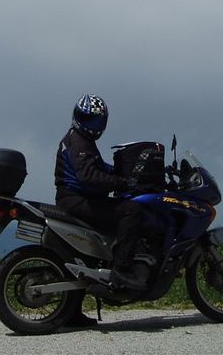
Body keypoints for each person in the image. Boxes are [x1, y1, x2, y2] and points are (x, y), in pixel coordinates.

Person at [54, 93, 146, 327]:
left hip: (73, 199)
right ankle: (122, 270)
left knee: (85, 256)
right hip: (77, 200)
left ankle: (71, 313)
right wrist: (122, 183)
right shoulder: (79, 142)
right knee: (131, 210)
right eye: (88, 118)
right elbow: (89, 176)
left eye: (97, 120)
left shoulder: (80, 139)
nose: (93, 124)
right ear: (77, 116)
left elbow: (97, 167)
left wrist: (119, 172)